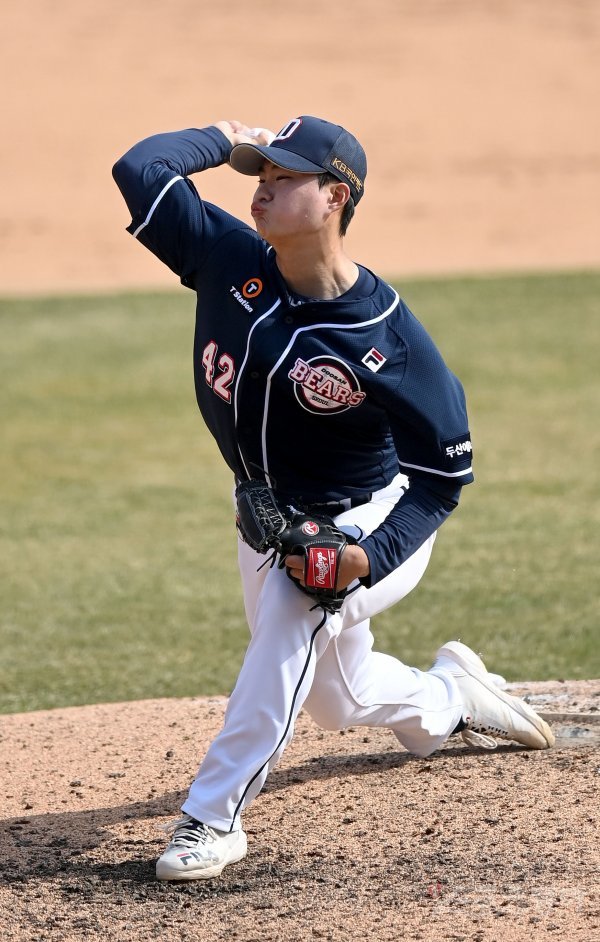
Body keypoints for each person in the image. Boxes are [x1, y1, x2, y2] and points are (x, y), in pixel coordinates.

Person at [112, 116, 554, 882]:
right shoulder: (226, 256)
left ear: (335, 197)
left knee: (295, 614)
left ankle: (212, 819)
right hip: (268, 518)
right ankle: (450, 698)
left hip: (364, 515)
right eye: (261, 176)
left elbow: (443, 477)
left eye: (285, 178)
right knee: (335, 698)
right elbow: (139, 170)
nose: (262, 190)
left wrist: (365, 557)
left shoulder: (388, 337)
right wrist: (226, 134)